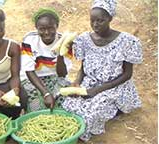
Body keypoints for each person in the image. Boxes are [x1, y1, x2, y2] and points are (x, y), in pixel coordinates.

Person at [61, 0, 143, 142]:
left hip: (115, 87)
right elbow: (83, 69)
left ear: (110, 19)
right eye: (92, 20)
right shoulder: (84, 40)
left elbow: (127, 75)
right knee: (68, 105)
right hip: (90, 83)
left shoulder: (127, 42)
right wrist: (76, 83)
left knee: (91, 113)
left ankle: (116, 108)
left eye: (100, 20)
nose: (95, 25)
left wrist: (97, 90)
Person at [20, 8, 72, 112]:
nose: (47, 32)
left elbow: (62, 74)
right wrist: (46, 93)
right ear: (36, 28)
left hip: (55, 77)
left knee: (63, 104)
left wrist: (60, 54)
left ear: (57, 26)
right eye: (42, 29)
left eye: (51, 28)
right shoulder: (29, 40)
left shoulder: (65, 41)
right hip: (33, 79)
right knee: (37, 107)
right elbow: (29, 71)